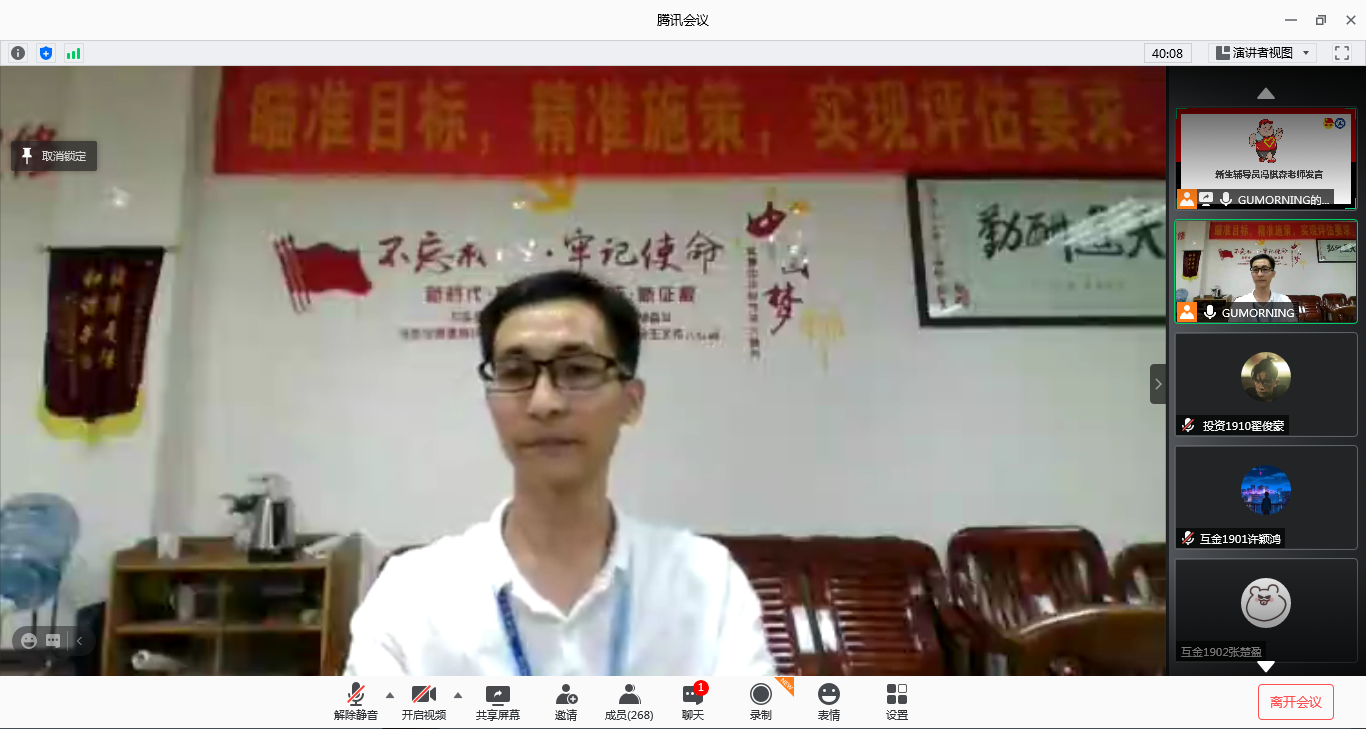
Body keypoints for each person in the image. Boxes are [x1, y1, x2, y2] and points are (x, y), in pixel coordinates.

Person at [344, 270, 775, 676]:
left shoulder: (709, 584)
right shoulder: (410, 595)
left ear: (631, 402)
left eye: (579, 370)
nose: (544, 403)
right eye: (516, 372)